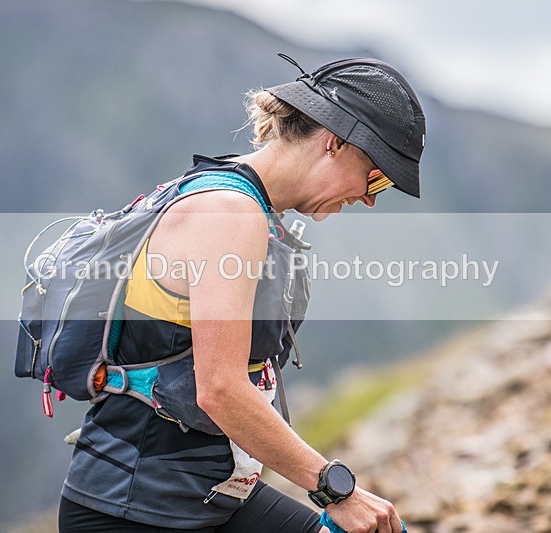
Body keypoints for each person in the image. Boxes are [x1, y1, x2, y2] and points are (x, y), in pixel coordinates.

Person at [59, 55, 425, 532]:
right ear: (336, 142)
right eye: (376, 176)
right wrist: (337, 492)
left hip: (205, 499)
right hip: (134, 512)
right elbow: (220, 389)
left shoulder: (231, 195)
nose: (371, 197)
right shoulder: (231, 214)